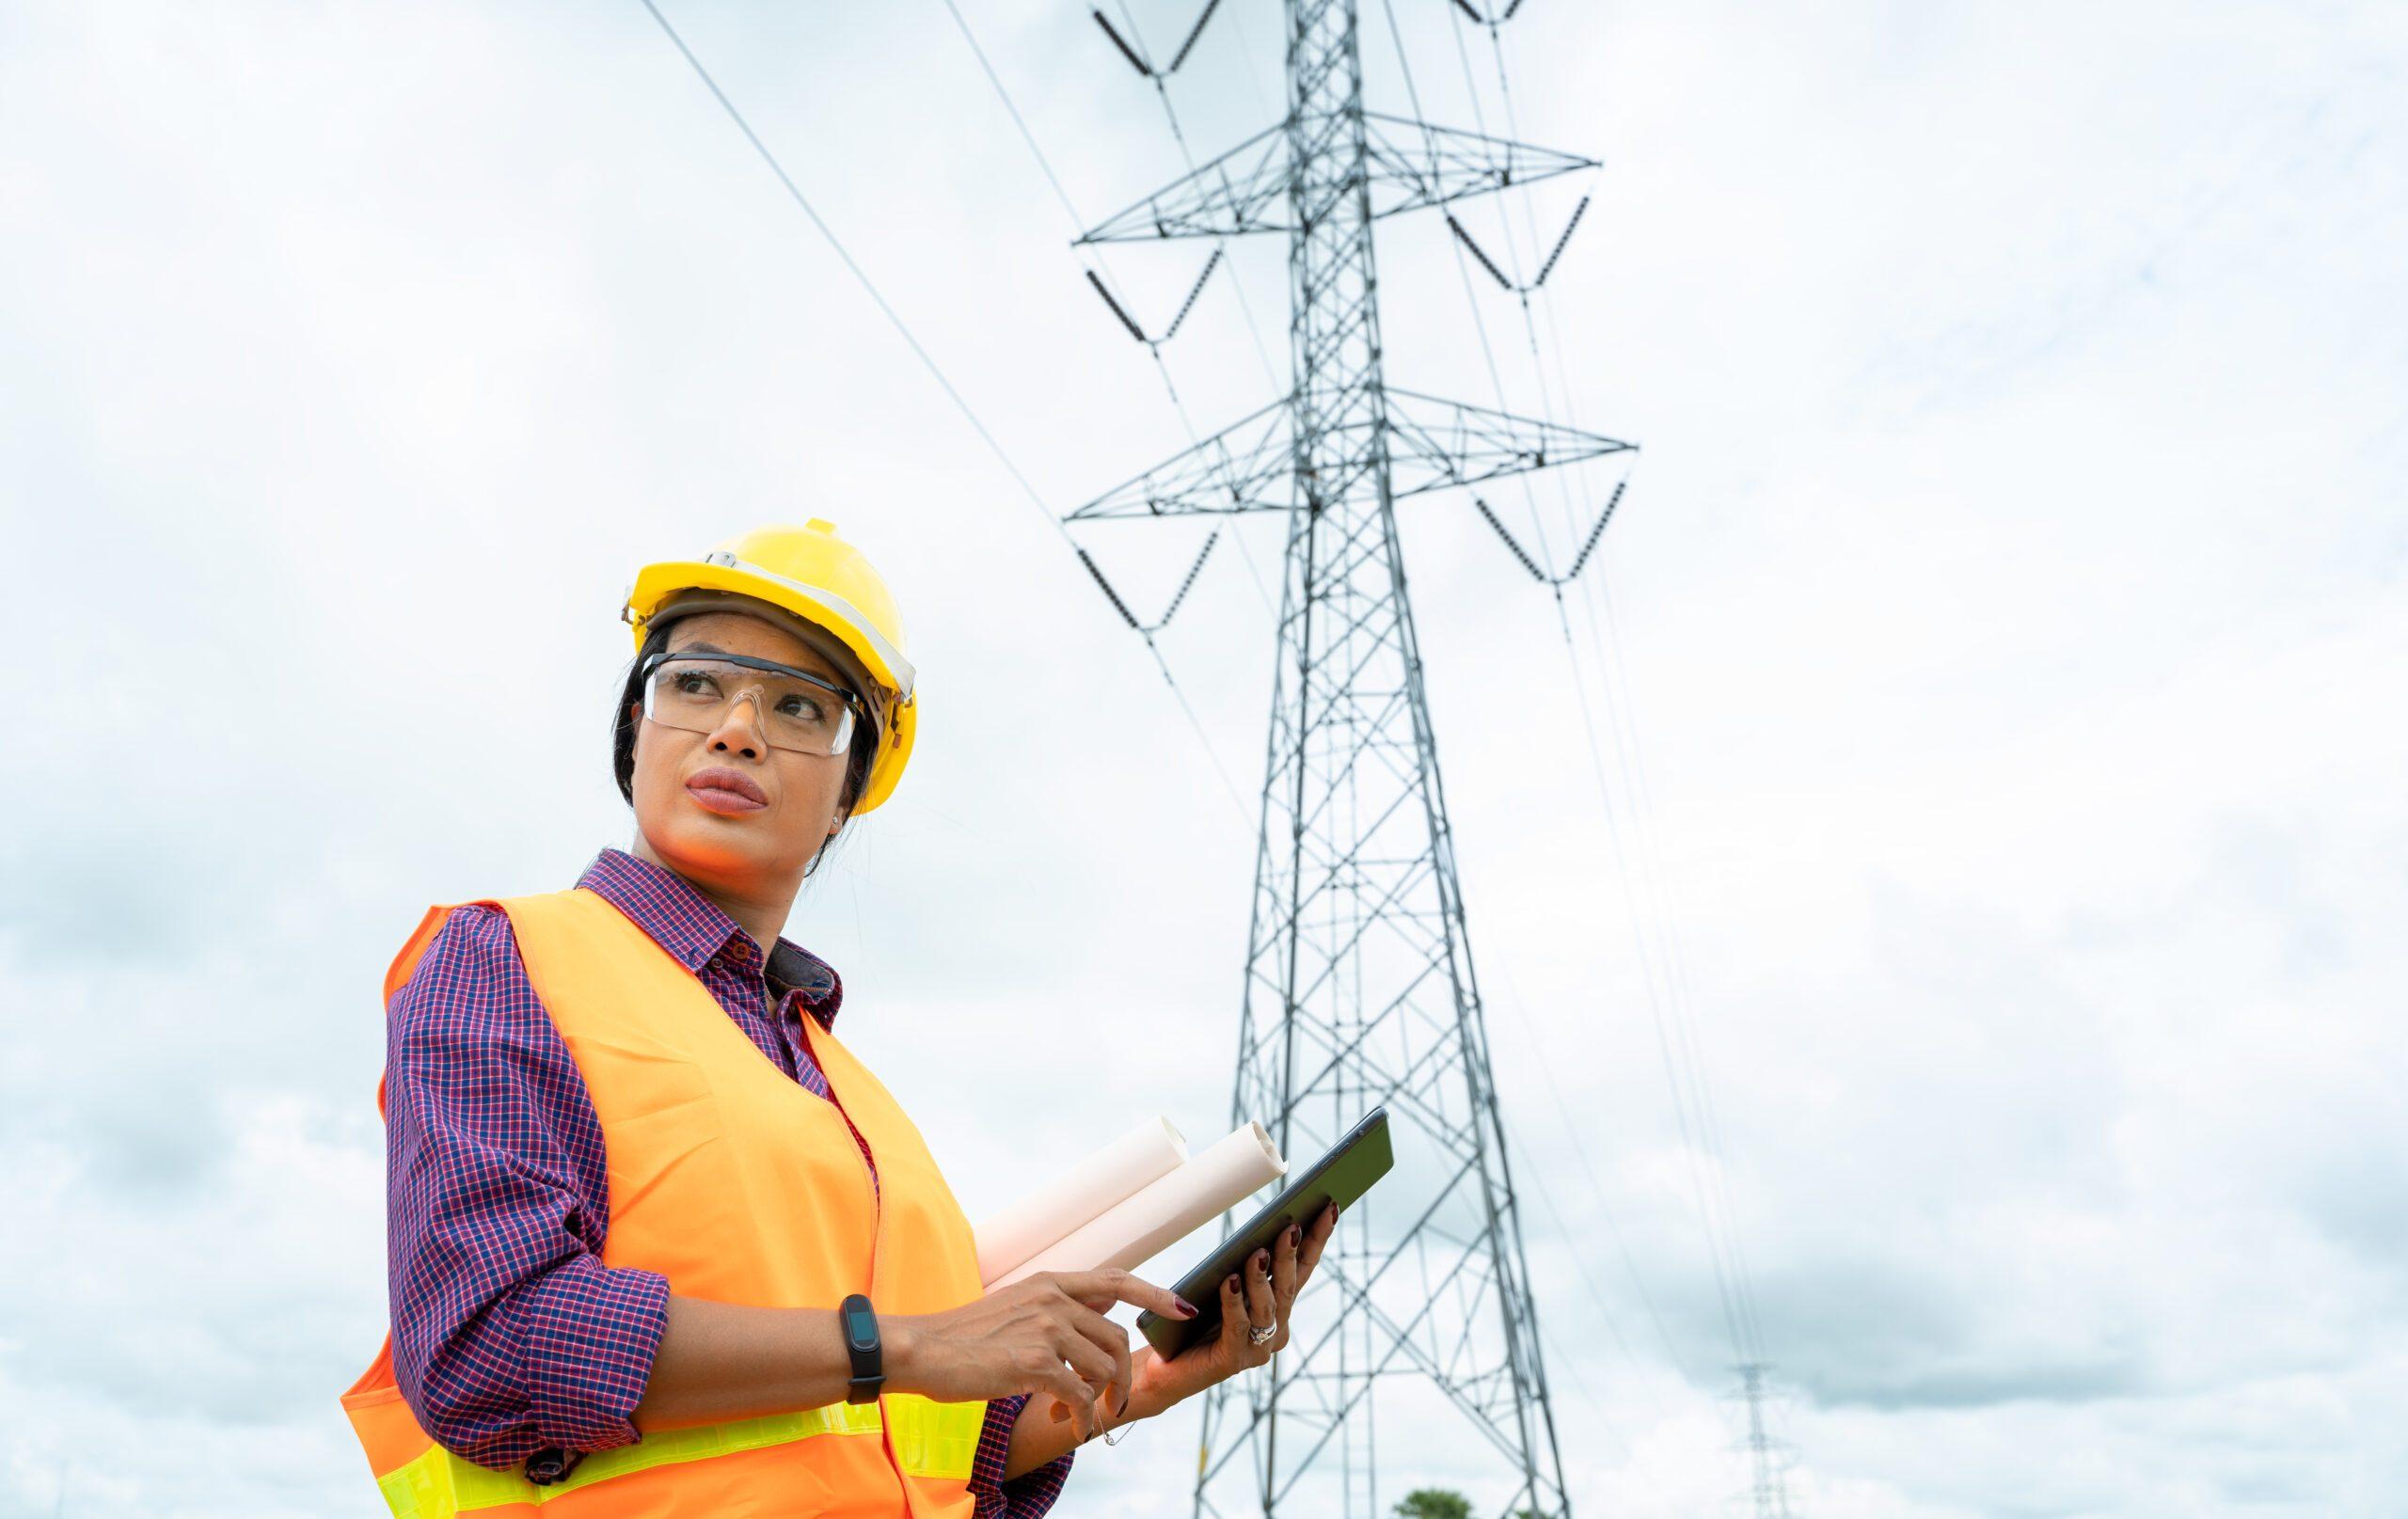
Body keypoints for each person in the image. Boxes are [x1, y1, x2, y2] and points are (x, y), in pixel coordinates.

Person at [338, 521, 1340, 1518]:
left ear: (846, 796)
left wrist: (1149, 1379)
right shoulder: (506, 959)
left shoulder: (849, 1099)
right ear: (632, 732)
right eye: (693, 683)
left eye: (799, 706)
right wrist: (901, 1341)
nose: (735, 726)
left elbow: (914, 1442)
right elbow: (488, 1340)